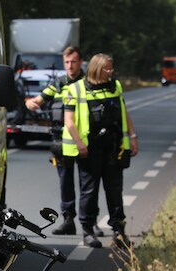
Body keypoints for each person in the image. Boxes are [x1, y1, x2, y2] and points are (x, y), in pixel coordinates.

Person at [62, 53, 138, 248]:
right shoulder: (75, 89)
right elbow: (69, 120)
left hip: (113, 147)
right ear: (97, 69)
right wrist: (79, 143)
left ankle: (119, 232)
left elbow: (124, 112)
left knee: (115, 191)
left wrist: (132, 136)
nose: (111, 72)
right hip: (89, 149)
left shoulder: (115, 86)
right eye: (107, 68)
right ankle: (88, 231)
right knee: (89, 191)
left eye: (111, 68)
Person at [24, 46, 98, 236]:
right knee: (65, 183)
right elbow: (39, 100)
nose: (70, 66)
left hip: (85, 142)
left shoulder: (89, 83)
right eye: (67, 62)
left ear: (81, 62)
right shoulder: (59, 83)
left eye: (73, 62)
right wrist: (30, 103)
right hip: (62, 143)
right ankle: (68, 220)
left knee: (88, 185)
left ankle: (91, 222)